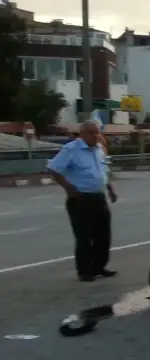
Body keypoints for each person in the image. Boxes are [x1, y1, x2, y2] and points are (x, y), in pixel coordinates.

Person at [46, 119, 119, 282]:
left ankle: (99, 266)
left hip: (99, 197)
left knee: (103, 235)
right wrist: (68, 188)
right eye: (91, 133)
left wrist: (110, 189)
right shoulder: (71, 149)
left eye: (97, 132)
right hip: (81, 199)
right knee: (84, 236)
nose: (95, 136)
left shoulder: (99, 149)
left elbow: (103, 171)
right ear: (82, 134)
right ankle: (85, 271)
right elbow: (53, 169)